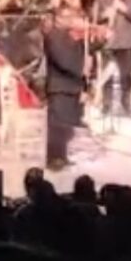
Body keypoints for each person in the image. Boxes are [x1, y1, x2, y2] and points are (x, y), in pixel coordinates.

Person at [44, 10, 88, 170]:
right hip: (59, 86)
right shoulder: (54, 36)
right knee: (57, 126)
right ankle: (53, 158)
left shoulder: (71, 37)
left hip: (72, 86)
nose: (71, 20)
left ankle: (62, 155)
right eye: (68, 17)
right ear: (59, 19)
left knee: (67, 126)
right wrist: (82, 68)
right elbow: (62, 60)